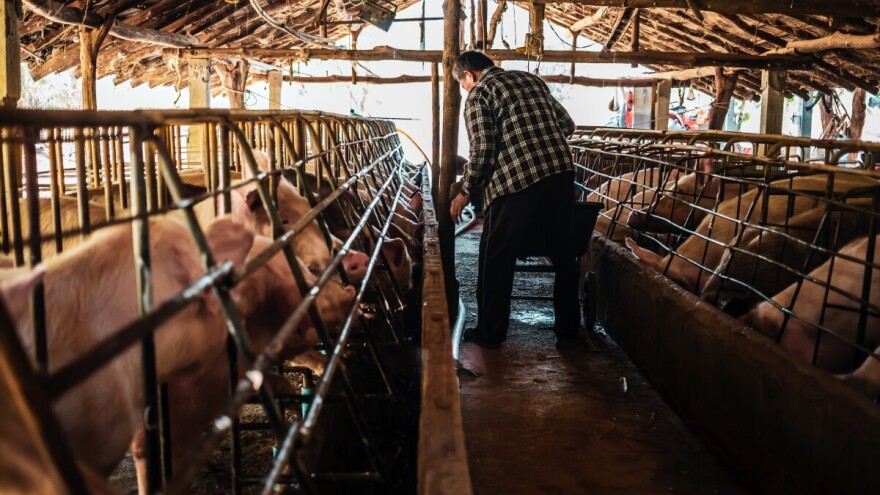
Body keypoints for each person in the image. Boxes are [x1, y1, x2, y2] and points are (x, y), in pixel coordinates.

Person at [449, 50, 579, 351]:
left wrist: (465, 192)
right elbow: (568, 126)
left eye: (463, 84)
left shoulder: (479, 94)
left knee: (496, 256)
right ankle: (568, 330)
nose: (465, 89)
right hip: (561, 174)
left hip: (516, 181)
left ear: (469, 76)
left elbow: (483, 150)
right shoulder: (531, 80)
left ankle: (490, 333)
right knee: (564, 255)